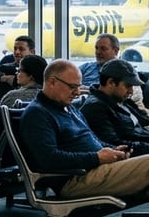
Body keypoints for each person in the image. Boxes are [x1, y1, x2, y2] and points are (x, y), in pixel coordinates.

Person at [21, 59, 149, 199]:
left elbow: (92, 140)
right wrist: (97, 158)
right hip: (76, 178)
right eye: (72, 87)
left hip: (94, 169)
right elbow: (49, 158)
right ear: (52, 82)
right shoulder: (37, 114)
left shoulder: (68, 108)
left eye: (78, 87)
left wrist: (113, 150)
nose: (77, 93)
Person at [80, 60, 149, 157]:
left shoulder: (120, 100)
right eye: (128, 86)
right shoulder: (95, 108)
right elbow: (115, 143)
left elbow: (143, 120)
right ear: (111, 83)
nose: (131, 91)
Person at [0, 35, 35, 101]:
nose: (17, 52)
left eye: (21, 49)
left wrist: (15, 81)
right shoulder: (6, 62)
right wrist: (5, 78)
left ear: (32, 52)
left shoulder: (37, 66)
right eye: (15, 49)